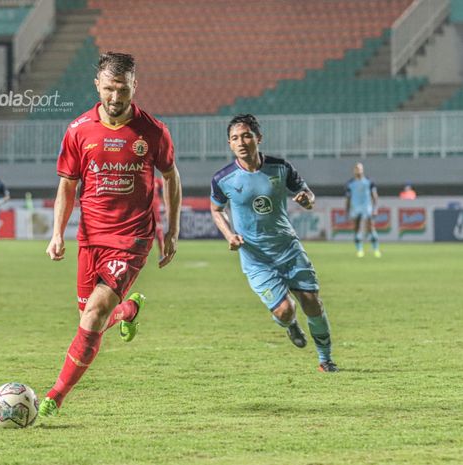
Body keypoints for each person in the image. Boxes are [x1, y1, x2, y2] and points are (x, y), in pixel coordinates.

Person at [39, 51, 183, 417]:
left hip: (132, 238)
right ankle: (130, 309)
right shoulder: (78, 130)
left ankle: (54, 397)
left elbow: (171, 177)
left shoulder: (153, 131)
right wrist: (57, 233)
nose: (116, 98)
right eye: (108, 89)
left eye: (123, 89)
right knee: (91, 317)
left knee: (93, 317)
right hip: (90, 238)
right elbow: (67, 185)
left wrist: (172, 229)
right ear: (97, 86)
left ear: (135, 86)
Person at [210, 114, 338, 373]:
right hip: (256, 257)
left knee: (312, 302)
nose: (241, 142)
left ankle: (325, 359)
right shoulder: (223, 179)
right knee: (284, 311)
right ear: (229, 144)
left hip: (288, 249)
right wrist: (230, 235)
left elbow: (308, 194)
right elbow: (216, 209)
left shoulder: (281, 167)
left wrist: (306, 200)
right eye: (235, 138)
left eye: (246, 135)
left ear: (259, 138)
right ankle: (290, 325)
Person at [345, 162, 381, 258]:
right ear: (354, 170)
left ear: (363, 169)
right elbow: (348, 198)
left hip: (367, 207)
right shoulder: (350, 184)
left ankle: (376, 249)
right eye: (356, 168)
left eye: (360, 168)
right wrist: (347, 211)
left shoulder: (369, 182)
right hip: (356, 207)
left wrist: (375, 208)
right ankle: (359, 250)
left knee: (371, 227)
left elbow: (375, 196)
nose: (358, 170)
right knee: (357, 228)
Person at [152, 175, 166, 259]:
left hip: (155, 211)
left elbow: (164, 193)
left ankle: (162, 253)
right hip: (144, 210)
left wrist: (164, 205)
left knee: (159, 232)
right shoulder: (142, 178)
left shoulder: (157, 181)